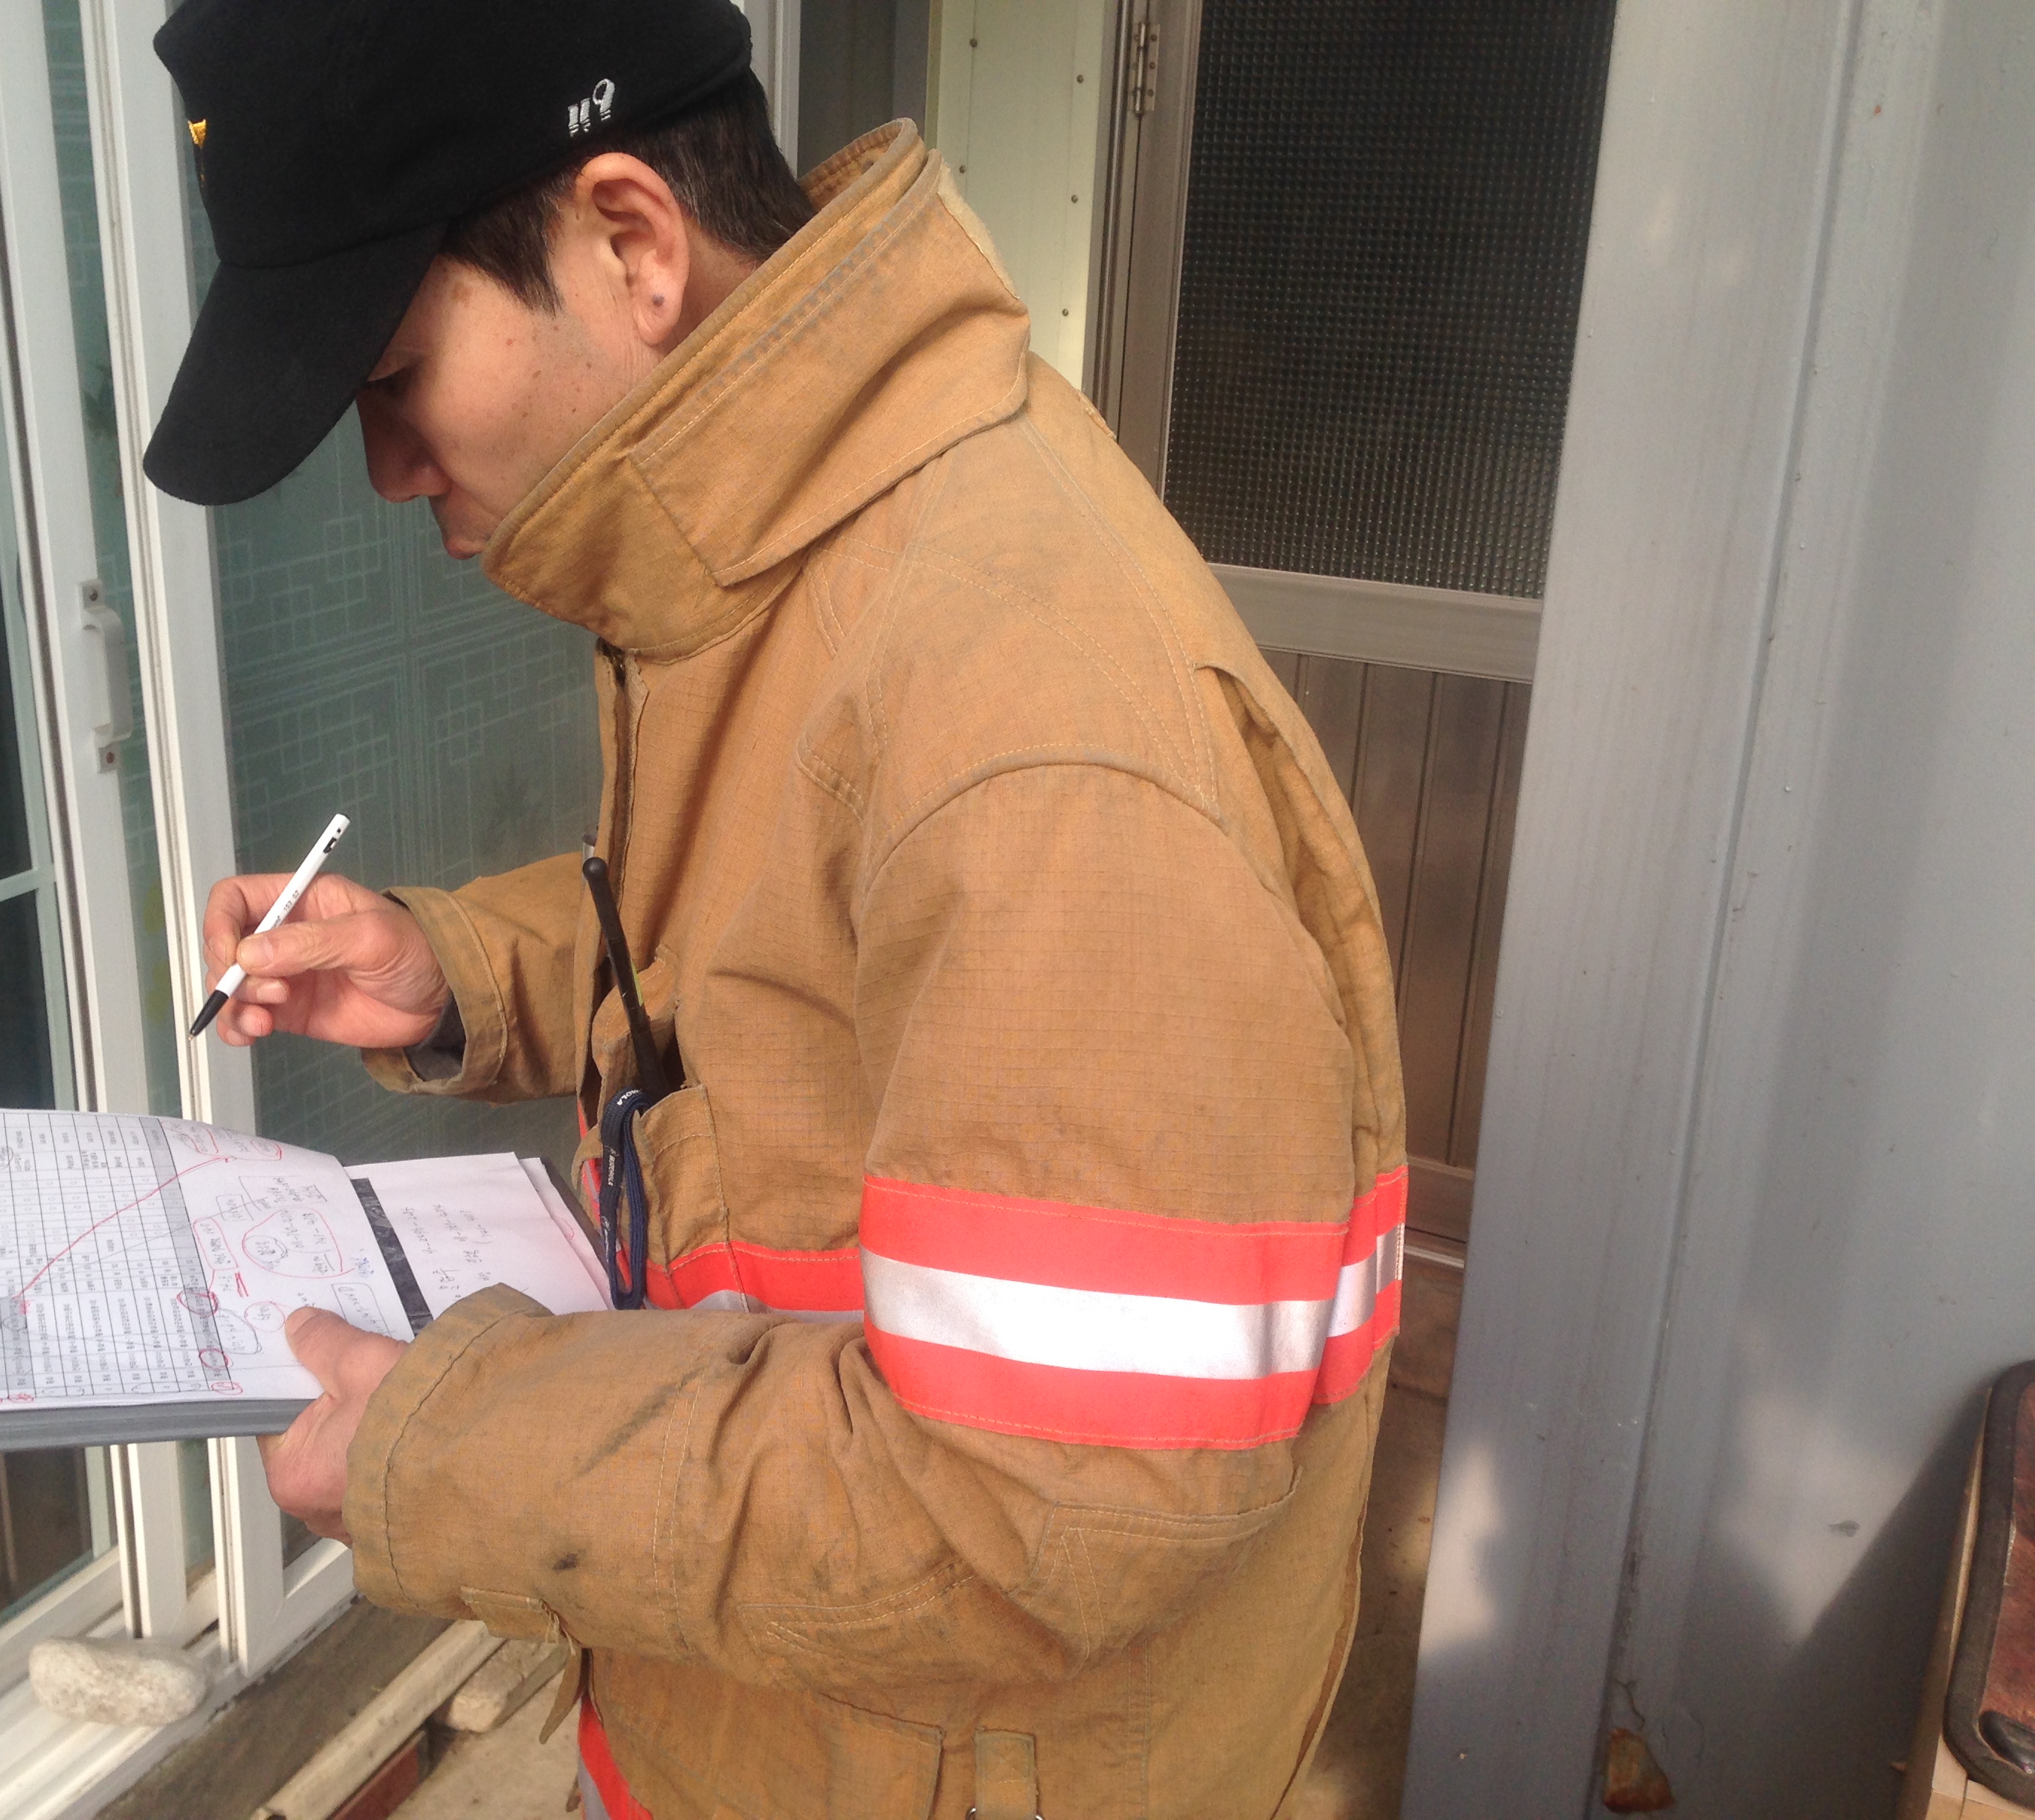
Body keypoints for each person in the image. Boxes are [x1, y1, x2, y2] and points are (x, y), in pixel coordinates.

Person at [148, 1, 1406, 1814]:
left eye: (395, 376)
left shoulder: (1033, 720)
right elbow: (798, 941)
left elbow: (1040, 1508)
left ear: (633, 243)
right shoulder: (794, 553)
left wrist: (446, 1446)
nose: (390, 469)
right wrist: (458, 970)